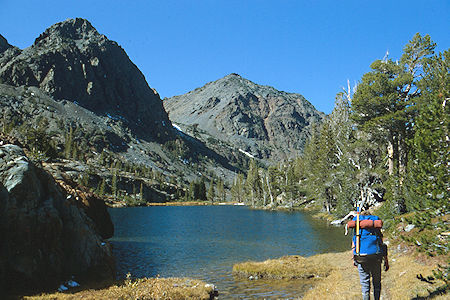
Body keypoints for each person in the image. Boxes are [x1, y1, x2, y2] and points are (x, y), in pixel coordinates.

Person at [351, 211, 389, 300]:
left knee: (365, 285)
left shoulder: (357, 228)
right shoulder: (375, 227)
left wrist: (354, 259)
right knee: (377, 283)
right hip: (376, 257)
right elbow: (382, 244)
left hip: (361, 258)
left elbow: (353, 246)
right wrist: (386, 261)